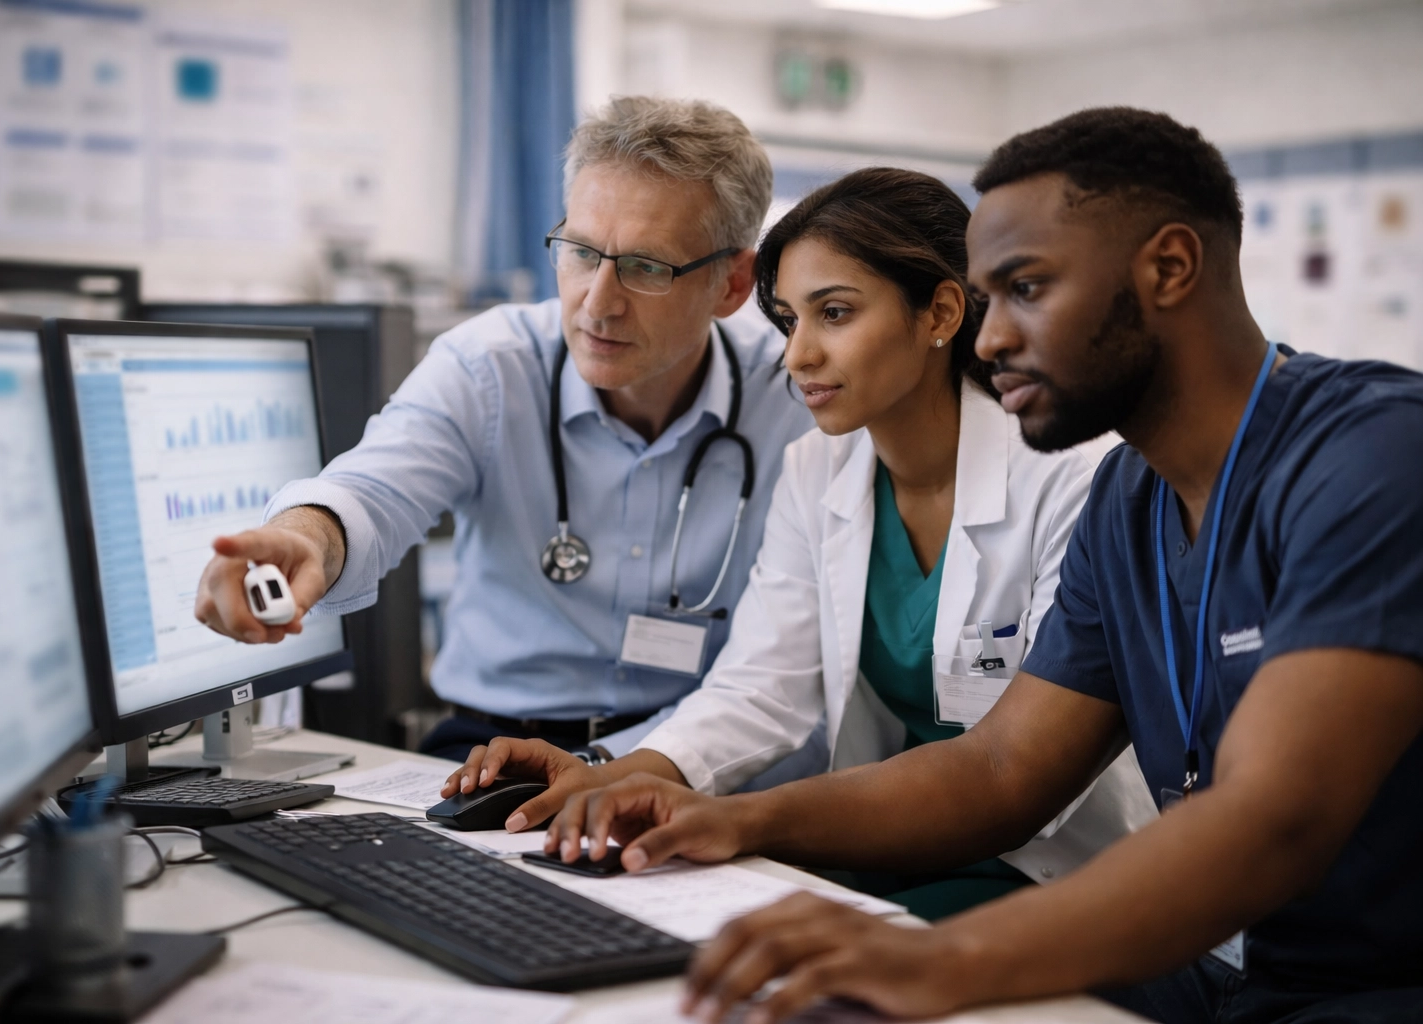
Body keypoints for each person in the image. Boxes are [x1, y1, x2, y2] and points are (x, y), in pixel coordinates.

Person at [540, 108, 1423, 1024]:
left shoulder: (1375, 454)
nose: (992, 340)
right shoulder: (1132, 498)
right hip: (1216, 963)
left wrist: (943, 957)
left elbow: (1276, 819)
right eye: (989, 297)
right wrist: (736, 818)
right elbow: (1002, 767)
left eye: (1027, 289)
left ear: (1168, 269)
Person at [443, 167, 1154, 920]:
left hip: (1051, 869)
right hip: (893, 845)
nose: (797, 355)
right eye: (788, 320)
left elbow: (1016, 774)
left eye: (835, 314)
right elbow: (762, 684)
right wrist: (614, 774)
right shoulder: (818, 467)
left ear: (941, 310)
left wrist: (746, 818)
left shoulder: (1073, 478)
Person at [193, 97, 813, 762]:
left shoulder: (794, 401)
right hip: (495, 751)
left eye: (646, 267)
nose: (598, 303)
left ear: (733, 284)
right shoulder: (491, 366)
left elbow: (790, 673)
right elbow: (371, 491)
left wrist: (615, 772)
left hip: (701, 753)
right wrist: (304, 536)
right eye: (580, 252)